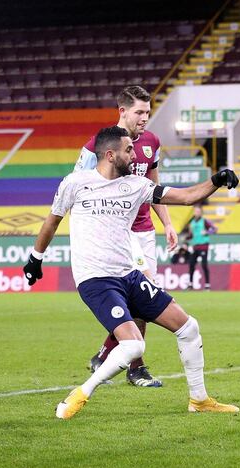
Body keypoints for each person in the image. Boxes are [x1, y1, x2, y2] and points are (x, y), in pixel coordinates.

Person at [22, 126, 240, 419]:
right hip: (96, 279)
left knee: (189, 327)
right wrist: (35, 259)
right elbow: (51, 222)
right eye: (128, 150)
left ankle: (199, 400)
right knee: (134, 342)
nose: (134, 154)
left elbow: (186, 197)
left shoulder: (136, 185)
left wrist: (216, 181)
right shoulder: (75, 183)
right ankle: (81, 393)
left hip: (129, 275)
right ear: (110, 155)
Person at [76, 85, 178, 388]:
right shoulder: (99, 143)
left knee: (145, 298)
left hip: (143, 229)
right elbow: (79, 185)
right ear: (123, 111)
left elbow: (155, 186)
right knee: (141, 296)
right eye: (139, 112)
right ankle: (136, 367)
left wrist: (168, 223)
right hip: (113, 231)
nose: (145, 118)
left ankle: (108, 354)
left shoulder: (152, 142)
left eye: (148, 112)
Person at [187, 204, 217, 290]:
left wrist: (207, 232)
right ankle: (190, 284)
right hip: (195, 246)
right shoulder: (191, 223)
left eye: (198, 211)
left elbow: (214, 229)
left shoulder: (204, 221)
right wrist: (186, 238)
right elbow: (191, 235)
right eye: (195, 211)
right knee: (191, 264)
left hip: (203, 246)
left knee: (204, 265)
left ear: (201, 212)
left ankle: (207, 285)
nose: (196, 213)